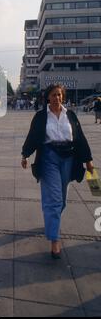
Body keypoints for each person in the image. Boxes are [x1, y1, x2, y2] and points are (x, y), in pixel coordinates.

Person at [21, 84, 94, 258]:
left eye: (59, 95)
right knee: (54, 198)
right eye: (54, 95)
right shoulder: (41, 116)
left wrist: (88, 160)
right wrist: (25, 154)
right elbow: (33, 136)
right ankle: (55, 240)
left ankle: (51, 220)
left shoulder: (70, 115)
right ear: (48, 97)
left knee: (62, 199)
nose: (57, 98)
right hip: (49, 157)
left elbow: (79, 138)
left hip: (68, 159)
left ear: (63, 96)